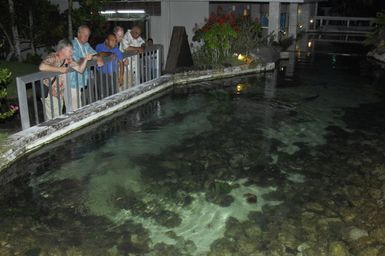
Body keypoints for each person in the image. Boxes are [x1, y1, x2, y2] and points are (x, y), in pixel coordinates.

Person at [39, 39, 93, 120]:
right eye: (70, 50)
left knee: (58, 115)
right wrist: (60, 70)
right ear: (62, 50)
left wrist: (85, 59)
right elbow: (41, 67)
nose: (72, 52)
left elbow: (80, 69)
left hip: (59, 92)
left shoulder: (68, 60)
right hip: (49, 92)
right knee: (53, 118)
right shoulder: (53, 57)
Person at [70, 25, 103, 110]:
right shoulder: (72, 44)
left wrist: (98, 58)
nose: (87, 37)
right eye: (84, 35)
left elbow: (94, 54)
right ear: (78, 33)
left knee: (80, 104)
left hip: (83, 78)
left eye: (88, 35)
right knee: (75, 107)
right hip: (73, 81)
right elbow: (77, 60)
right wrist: (88, 58)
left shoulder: (86, 45)